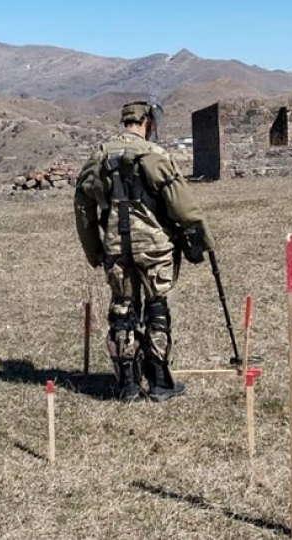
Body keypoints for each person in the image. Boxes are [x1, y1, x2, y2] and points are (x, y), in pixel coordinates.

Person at [74, 100, 215, 402]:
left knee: (122, 308)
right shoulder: (156, 155)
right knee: (157, 308)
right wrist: (203, 239)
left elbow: (83, 207)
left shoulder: (99, 156)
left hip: (116, 247)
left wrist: (93, 250)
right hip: (154, 248)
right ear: (147, 122)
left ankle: (127, 384)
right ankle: (160, 380)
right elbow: (183, 206)